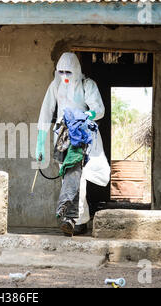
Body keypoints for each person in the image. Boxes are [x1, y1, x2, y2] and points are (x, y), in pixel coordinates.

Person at [36, 52, 105, 237]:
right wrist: (40, 144)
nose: (65, 76)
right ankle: (80, 220)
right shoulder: (55, 85)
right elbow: (45, 111)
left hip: (80, 135)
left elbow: (99, 110)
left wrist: (85, 116)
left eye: (68, 72)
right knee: (67, 178)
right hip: (61, 136)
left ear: (76, 70)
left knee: (77, 178)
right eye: (61, 72)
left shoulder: (86, 85)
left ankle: (72, 219)